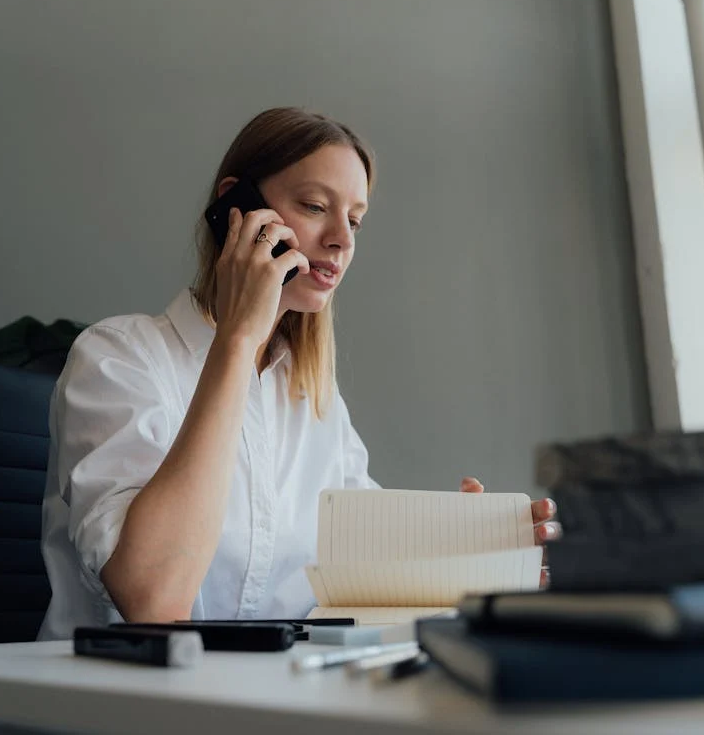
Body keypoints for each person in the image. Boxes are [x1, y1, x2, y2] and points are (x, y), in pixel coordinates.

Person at [37, 107, 559, 640]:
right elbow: (153, 599)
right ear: (234, 207)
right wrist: (238, 340)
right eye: (315, 206)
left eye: (354, 220)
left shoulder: (311, 395)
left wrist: (473, 547)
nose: (342, 240)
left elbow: (363, 563)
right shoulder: (117, 357)